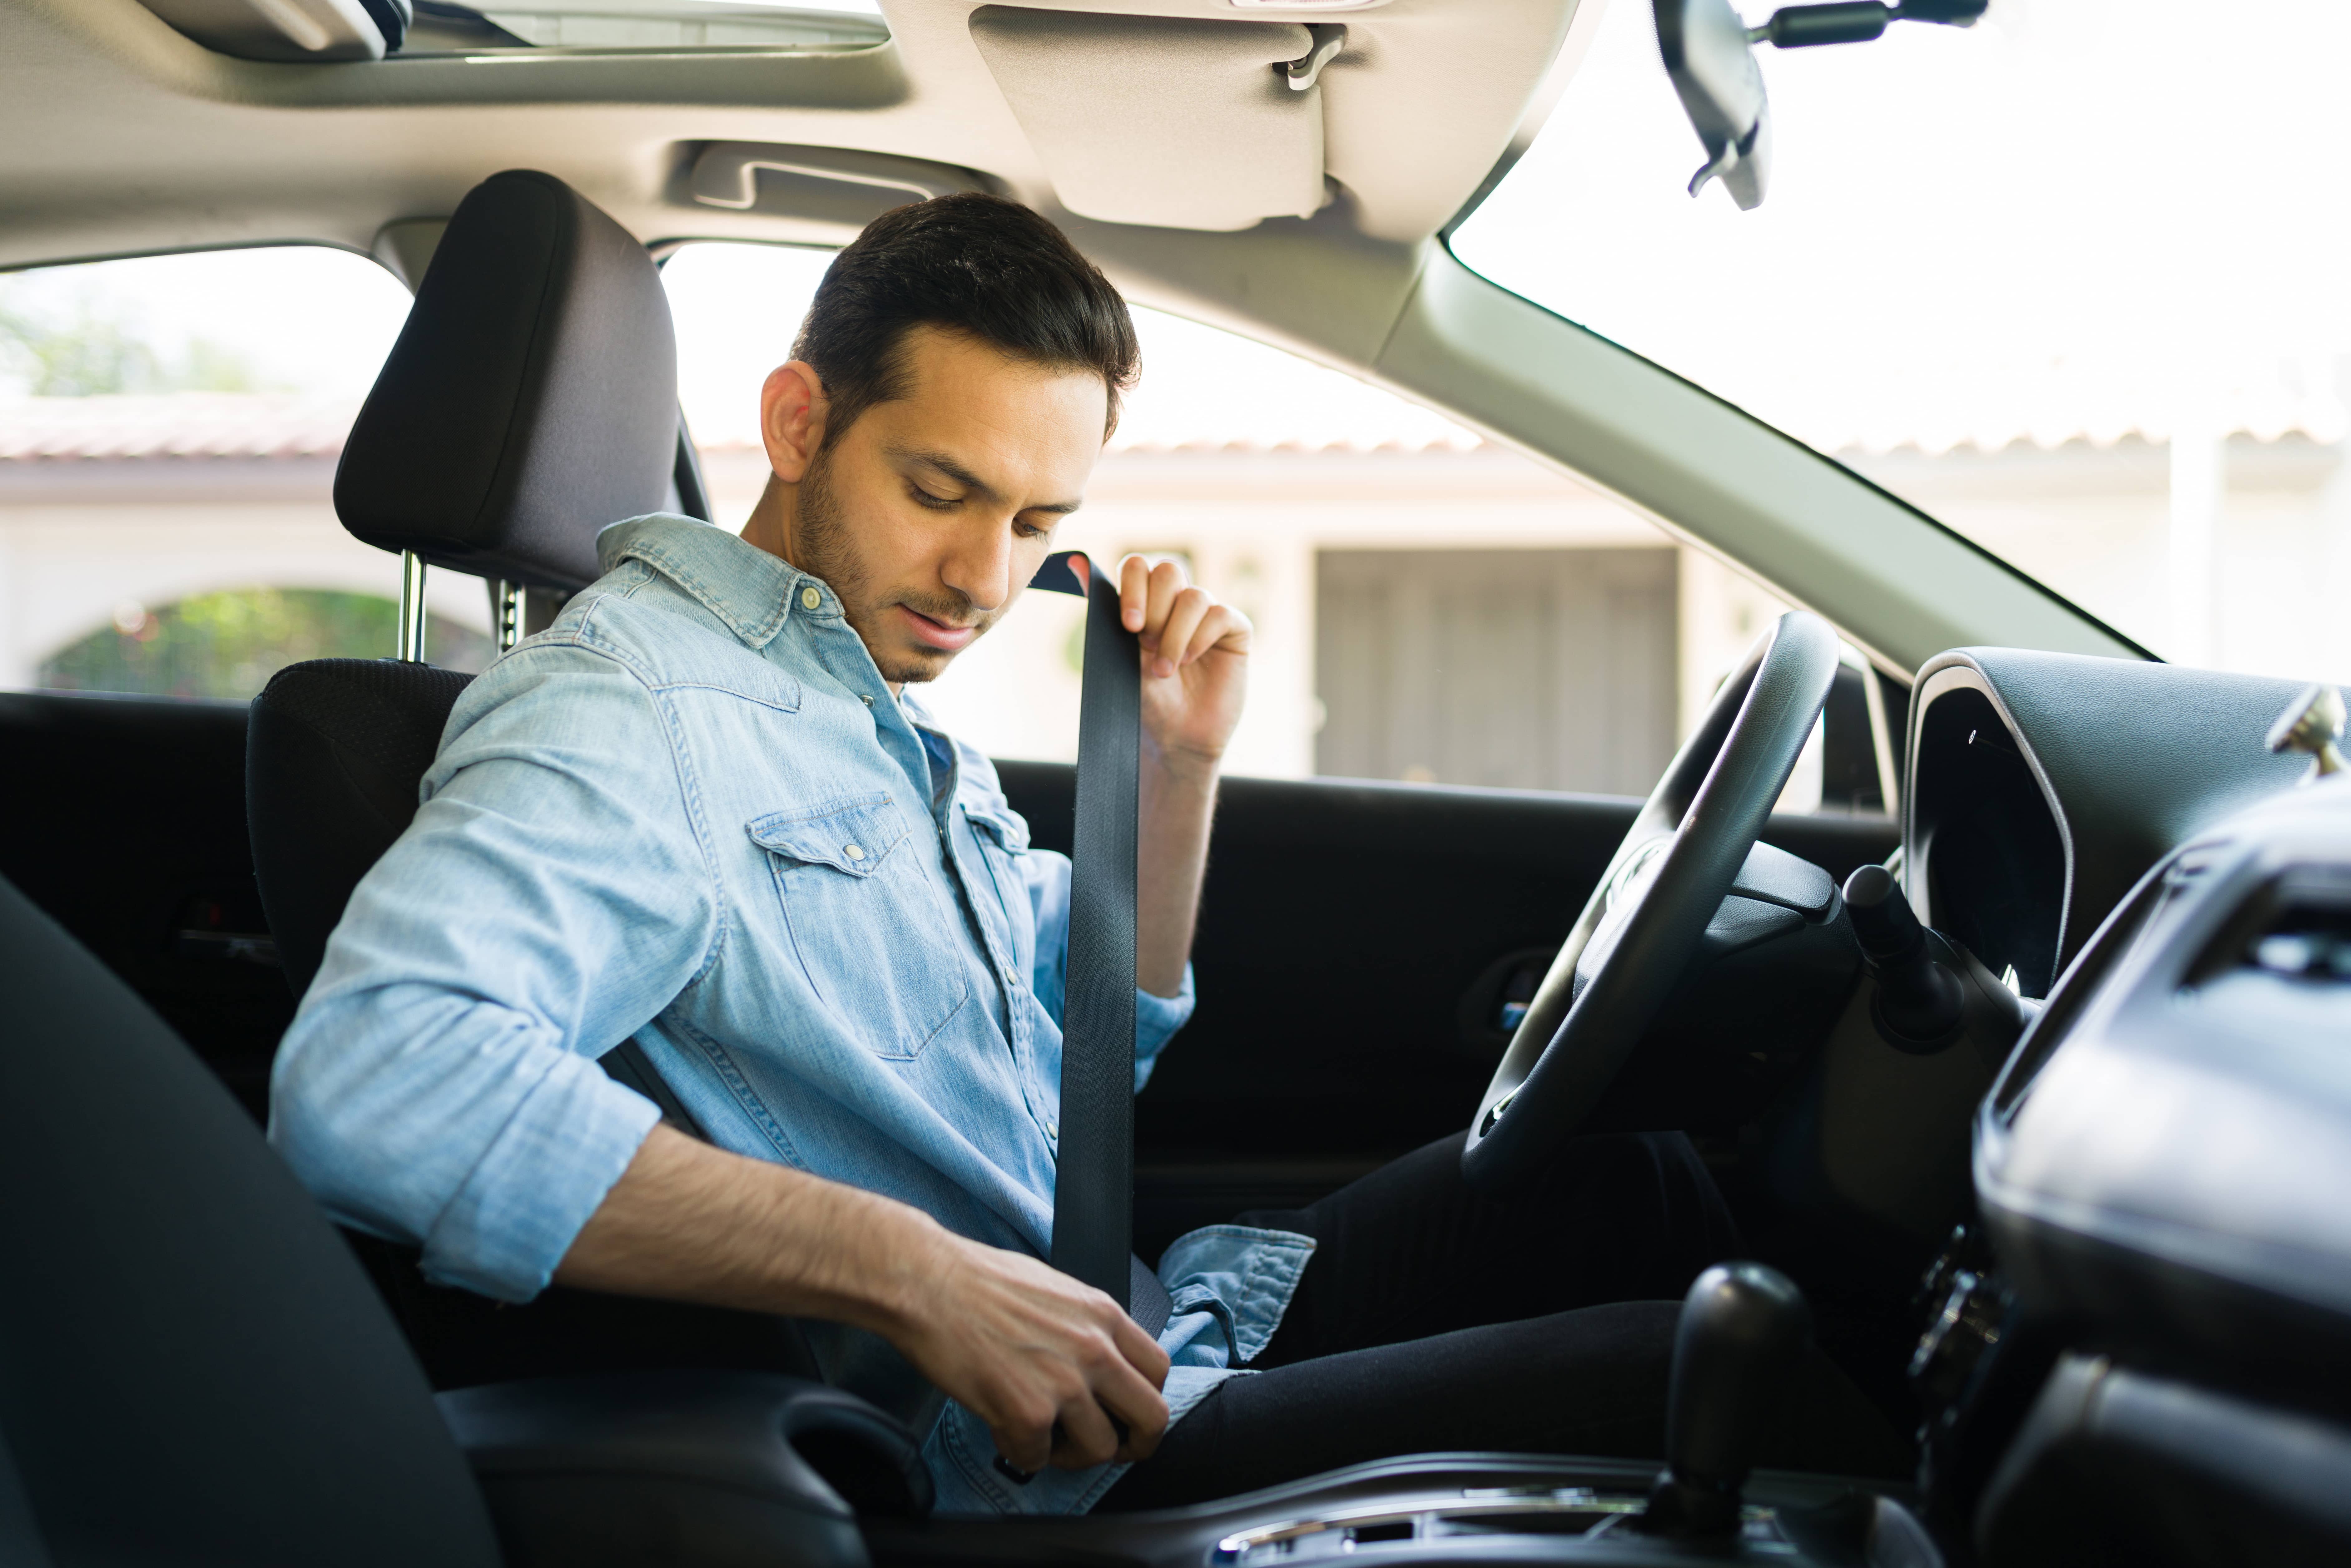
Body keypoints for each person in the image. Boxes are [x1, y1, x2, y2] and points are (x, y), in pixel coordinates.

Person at [271, 193, 1902, 1517]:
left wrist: (1176, 772)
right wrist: (910, 1274)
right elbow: (379, 1083)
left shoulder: (847, 694)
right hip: (1046, 1460)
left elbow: (1078, 1077)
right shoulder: (632, 718)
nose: (984, 578)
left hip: (1152, 1312)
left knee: (1638, 1185)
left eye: (1040, 524)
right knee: (1723, 1375)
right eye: (940, 491)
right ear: (795, 421)